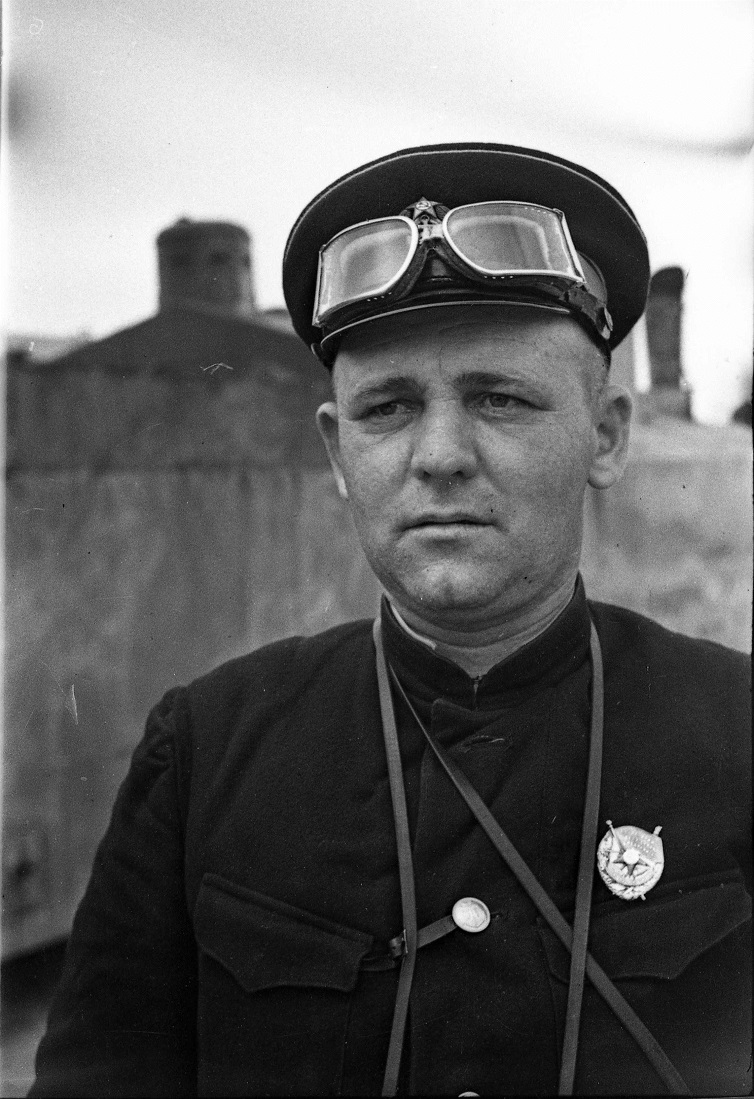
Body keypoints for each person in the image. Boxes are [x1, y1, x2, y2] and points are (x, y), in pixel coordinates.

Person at [31, 144, 751, 1098]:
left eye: (500, 398)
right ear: (339, 453)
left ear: (607, 435)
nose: (439, 454)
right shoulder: (203, 753)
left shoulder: (739, 729)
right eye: (389, 407)